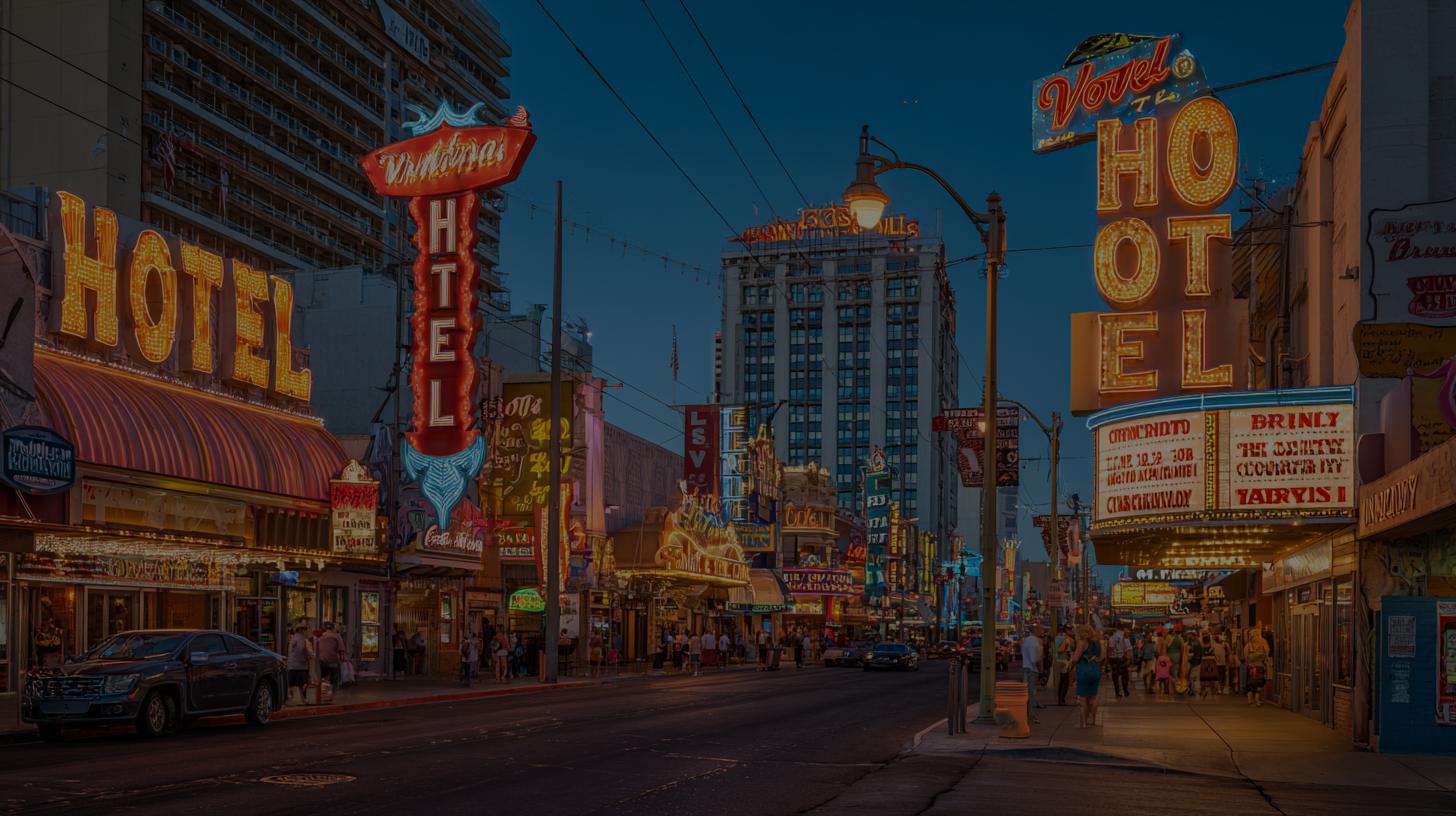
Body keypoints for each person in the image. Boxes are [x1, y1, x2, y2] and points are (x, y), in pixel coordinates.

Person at [1069, 624, 1103, 728]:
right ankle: (1093, 720)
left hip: (1084, 670)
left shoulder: (1082, 643)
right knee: (1093, 697)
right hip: (1095, 670)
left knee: (1082, 698)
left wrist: (1071, 661)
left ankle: (1083, 723)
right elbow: (1101, 657)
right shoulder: (1097, 643)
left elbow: (1075, 658)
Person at [1022, 625, 1044, 725]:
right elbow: (1035, 659)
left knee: (1028, 693)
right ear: (1036, 630)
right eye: (1041, 629)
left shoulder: (1026, 640)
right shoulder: (1035, 642)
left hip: (1026, 669)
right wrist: (1041, 671)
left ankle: (1028, 714)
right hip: (1032, 670)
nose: (1043, 631)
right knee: (1031, 694)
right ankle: (1031, 716)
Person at [315, 622, 346, 692]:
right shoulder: (337, 636)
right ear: (332, 628)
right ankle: (332, 693)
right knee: (334, 679)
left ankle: (324, 693)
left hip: (322, 660)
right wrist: (342, 660)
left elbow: (316, 651)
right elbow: (341, 649)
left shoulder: (320, 637)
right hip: (333, 660)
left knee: (323, 678)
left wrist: (317, 660)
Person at [1243, 628, 1270, 707]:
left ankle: (1249, 700)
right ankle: (1257, 701)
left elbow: (1245, 654)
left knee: (1250, 683)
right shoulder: (1263, 642)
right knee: (1259, 684)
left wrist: (1248, 662)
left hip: (1251, 667)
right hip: (1260, 666)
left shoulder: (1249, 644)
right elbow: (1267, 651)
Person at [286, 625, 312, 703]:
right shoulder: (301, 638)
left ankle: (290, 699)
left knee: (291, 683)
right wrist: (307, 658)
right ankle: (304, 699)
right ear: (301, 630)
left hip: (292, 664)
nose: (306, 631)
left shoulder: (293, 638)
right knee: (304, 683)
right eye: (305, 630)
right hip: (301, 665)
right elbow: (301, 649)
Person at [1107, 626, 1131, 699]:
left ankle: (1118, 692)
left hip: (1114, 659)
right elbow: (1127, 650)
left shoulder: (1111, 638)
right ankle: (1124, 691)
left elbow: (1109, 649)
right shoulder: (1125, 639)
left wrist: (1108, 660)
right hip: (1120, 659)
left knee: (1116, 676)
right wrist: (1128, 659)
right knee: (1124, 676)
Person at [1053, 627, 1074, 706]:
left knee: (1062, 681)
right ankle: (1062, 700)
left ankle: (1061, 700)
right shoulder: (1065, 639)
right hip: (1064, 661)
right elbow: (1060, 650)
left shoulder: (1056, 639)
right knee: (1065, 681)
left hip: (1058, 660)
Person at [1185, 630, 1205, 698]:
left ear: (1192, 635)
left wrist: (1189, 659)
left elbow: (1191, 652)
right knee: (1195, 677)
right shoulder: (1196, 641)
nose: (1187, 636)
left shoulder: (1195, 642)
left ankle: (1197, 691)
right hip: (1197, 661)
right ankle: (1195, 691)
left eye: (1189, 635)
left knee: (1193, 677)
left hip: (1195, 662)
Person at [1139, 631, 1159, 695]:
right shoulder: (1143, 642)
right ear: (1146, 636)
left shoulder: (1154, 643)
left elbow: (1155, 651)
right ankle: (1147, 687)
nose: (1150, 637)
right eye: (1149, 636)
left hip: (1152, 660)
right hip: (1146, 660)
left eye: (1151, 636)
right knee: (1145, 675)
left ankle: (1150, 688)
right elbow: (1141, 652)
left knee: (1153, 674)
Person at [1210, 632, 1230, 696]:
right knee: (1219, 677)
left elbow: (1229, 652)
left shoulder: (1223, 645)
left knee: (1220, 677)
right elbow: (1210, 651)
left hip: (1221, 664)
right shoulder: (1216, 645)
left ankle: (1220, 689)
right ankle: (1219, 689)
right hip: (1219, 664)